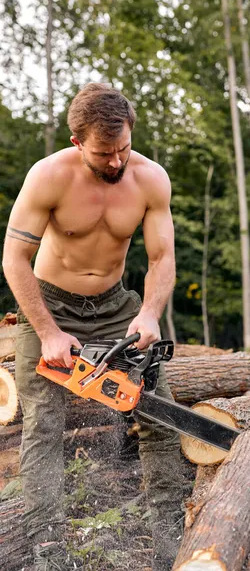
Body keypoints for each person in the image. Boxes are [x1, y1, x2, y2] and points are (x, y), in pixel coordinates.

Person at [2, 83, 184, 571]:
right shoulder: (49, 177)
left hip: (116, 304)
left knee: (161, 418)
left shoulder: (150, 179)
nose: (115, 161)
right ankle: (49, 547)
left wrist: (148, 313)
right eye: (104, 153)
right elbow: (14, 260)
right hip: (50, 304)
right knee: (44, 425)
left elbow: (163, 257)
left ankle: (173, 539)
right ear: (78, 142)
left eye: (123, 147)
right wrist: (46, 332)